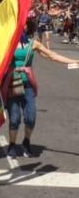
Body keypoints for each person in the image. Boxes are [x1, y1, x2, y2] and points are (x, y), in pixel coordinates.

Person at [5, 18, 79, 159]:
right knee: (14, 118)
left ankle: (26, 141)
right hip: (13, 83)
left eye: (22, 24)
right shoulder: (8, 42)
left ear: (27, 27)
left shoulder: (33, 44)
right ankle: (12, 145)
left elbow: (52, 56)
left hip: (28, 85)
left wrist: (75, 61)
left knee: (31, 117)